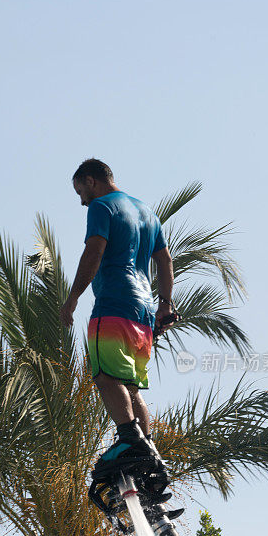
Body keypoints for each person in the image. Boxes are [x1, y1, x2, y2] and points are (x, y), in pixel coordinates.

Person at [60, 158, 177, 477]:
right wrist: (165, 303)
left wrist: (72, 298)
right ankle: (148, 453)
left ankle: (129, 440)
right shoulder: (147, 212)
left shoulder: (101, 206)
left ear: (90, 181)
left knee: (105, 376)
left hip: (114, 301)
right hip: (143, 309)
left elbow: (94, 251)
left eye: (79, 190)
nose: (81, 200)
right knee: (130, 386)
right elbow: (165, 260)